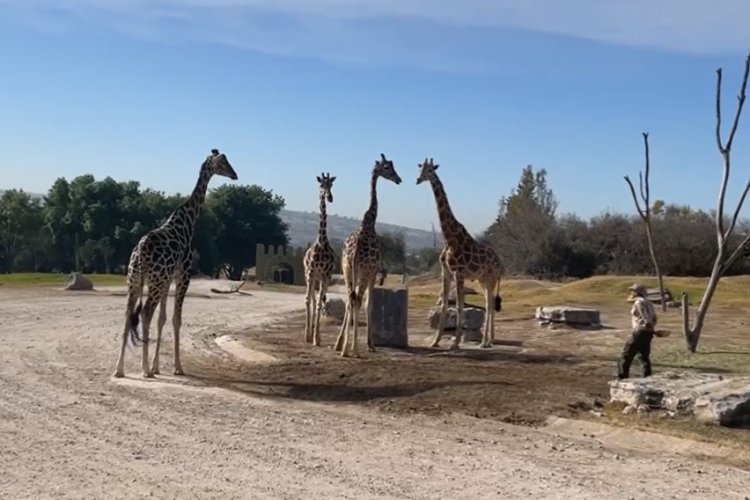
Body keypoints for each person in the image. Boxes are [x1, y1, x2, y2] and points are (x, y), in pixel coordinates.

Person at [617, 283, 657, 379]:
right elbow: (654, 318)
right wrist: (652, 329)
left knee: (626, 354)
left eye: (633, 291)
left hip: (640, 330)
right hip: (648, 332)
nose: (631, 292)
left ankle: (622, 377)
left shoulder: (639, 303)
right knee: (643, 356)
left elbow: (645, 317)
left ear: (637, 292)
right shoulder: (649, 303)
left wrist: (647, 325)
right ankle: (647, 377)